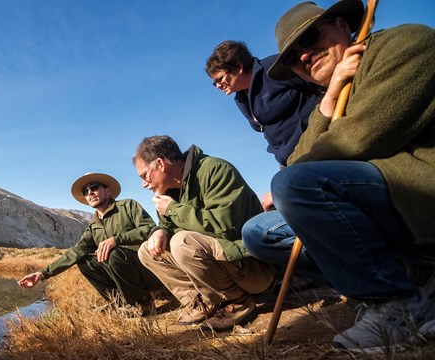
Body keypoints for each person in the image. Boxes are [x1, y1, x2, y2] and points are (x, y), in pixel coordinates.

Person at [242, 0, 435, 351]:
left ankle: (402, 305)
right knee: (258, 233)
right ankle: (406, 278)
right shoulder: (329, 97)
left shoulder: (407, 43)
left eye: (310, 36)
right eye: (290, 57)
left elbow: (359, 138)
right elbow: (299, 160)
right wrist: (329, 99)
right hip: (380, 204)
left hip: (419, 197)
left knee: (294, 186)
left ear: (344, 26)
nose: (303, 54)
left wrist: (298, 171)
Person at [132, 135, 276, 332]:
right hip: (222, 263)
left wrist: (174, 209)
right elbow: (167, 225)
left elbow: (225, 226)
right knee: (146, 250)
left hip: (253, 269)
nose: (144, 184)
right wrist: (159, 231)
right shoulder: (168, 192)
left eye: (144, 175)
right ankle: (204, 301)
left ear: (160, 164)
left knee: (182, 242)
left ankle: (237, 302)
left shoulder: (215, 170)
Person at [18, 172, 161, 316]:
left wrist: (116, 240)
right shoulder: (93, 226)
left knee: (114, 253)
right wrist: (41, 274)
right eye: (85, 192)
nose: (90, 193)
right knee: (84, 261)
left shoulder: (128, 206)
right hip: (122, 274)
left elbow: (149, 229)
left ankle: (144, 302)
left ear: (108, 190)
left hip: (147, 269)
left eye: (94, 188)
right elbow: (75, 252)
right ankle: (121, 303)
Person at [205, 40, 322, 169]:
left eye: (219, 79)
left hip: (318, 147)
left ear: (238, 67)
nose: (217, 86)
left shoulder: (275, 68)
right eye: (214, 83)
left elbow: (320, 84)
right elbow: (262, 129)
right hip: (288, 162)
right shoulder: (240, 99)